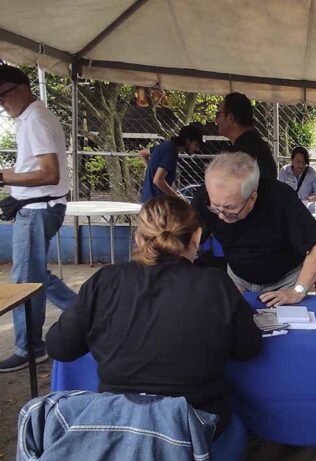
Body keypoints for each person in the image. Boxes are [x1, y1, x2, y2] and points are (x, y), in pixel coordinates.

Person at [45, 196, 262, 437]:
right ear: (197, 237)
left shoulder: (105, 280)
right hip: (194, 431)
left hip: (118, 428)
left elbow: (60, 347)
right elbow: (248, 349)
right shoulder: (216, 284)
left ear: (138, 239)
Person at [0, 65, 76, 373]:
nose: (2, 104)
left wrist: (6, 177)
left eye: (2, 95)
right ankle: (87, 312)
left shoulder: (35, 119)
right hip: (38, 207)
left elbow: (49, 172)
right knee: (37, 276)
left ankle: (30, 347)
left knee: (25, 281)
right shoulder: (32, 117)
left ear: (21, 88)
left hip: (38, 210)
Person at [193, 152, 316, 306]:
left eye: (229, 209)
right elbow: (188, 240)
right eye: (215, 207)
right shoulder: (205, 197)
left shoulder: (280, 198)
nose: (221, 216)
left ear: (252, 197)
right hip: (237, 277)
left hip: (284, 281)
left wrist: (297, 291)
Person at [215, 92, 277, 179]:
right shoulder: (256, 145)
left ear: (230, 118)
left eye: (218, 115)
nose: (216, 120)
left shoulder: (241, 154)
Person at [138, 123, 203, 202]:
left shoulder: (165, 145)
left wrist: (151, 170)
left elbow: (142, 153)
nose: (197, 149)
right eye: (196, 144)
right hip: (157, 203)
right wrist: (176, 197)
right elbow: (158, 180)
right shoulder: (171, 152)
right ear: (188, 140)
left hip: (148, 199)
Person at [277, 146, 316, 213]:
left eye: (304, 162)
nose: (301, 165)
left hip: (308, 212)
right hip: (288, 211)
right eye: (298, 162)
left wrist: (311, 198)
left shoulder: (312, 172)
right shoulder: (284, 171)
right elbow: (278, 192)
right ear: (292, 160)